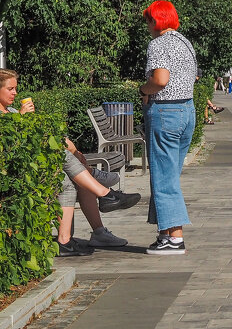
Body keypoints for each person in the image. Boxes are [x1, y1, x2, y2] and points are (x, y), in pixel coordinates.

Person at [0, 69, 140, 256]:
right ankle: (104, 192)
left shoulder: (12, 111)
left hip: (34, 164)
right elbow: (11, 144)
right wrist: (23, 119)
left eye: (16, 88)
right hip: (16, 170)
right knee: (64, 158)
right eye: (10, 89)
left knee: (68, 179)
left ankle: (66, 241)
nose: (15, 93)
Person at [139, 0, 199, 256]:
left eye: (149, 22)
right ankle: (165, 233)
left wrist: (143, 90)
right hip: (187, 110)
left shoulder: (159, 44)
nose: (148, 27)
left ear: (156, 21)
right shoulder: (184, 42)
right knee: (170, 174)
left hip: (166, 110)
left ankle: (175, 237)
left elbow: (160, 80)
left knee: (163, 178)